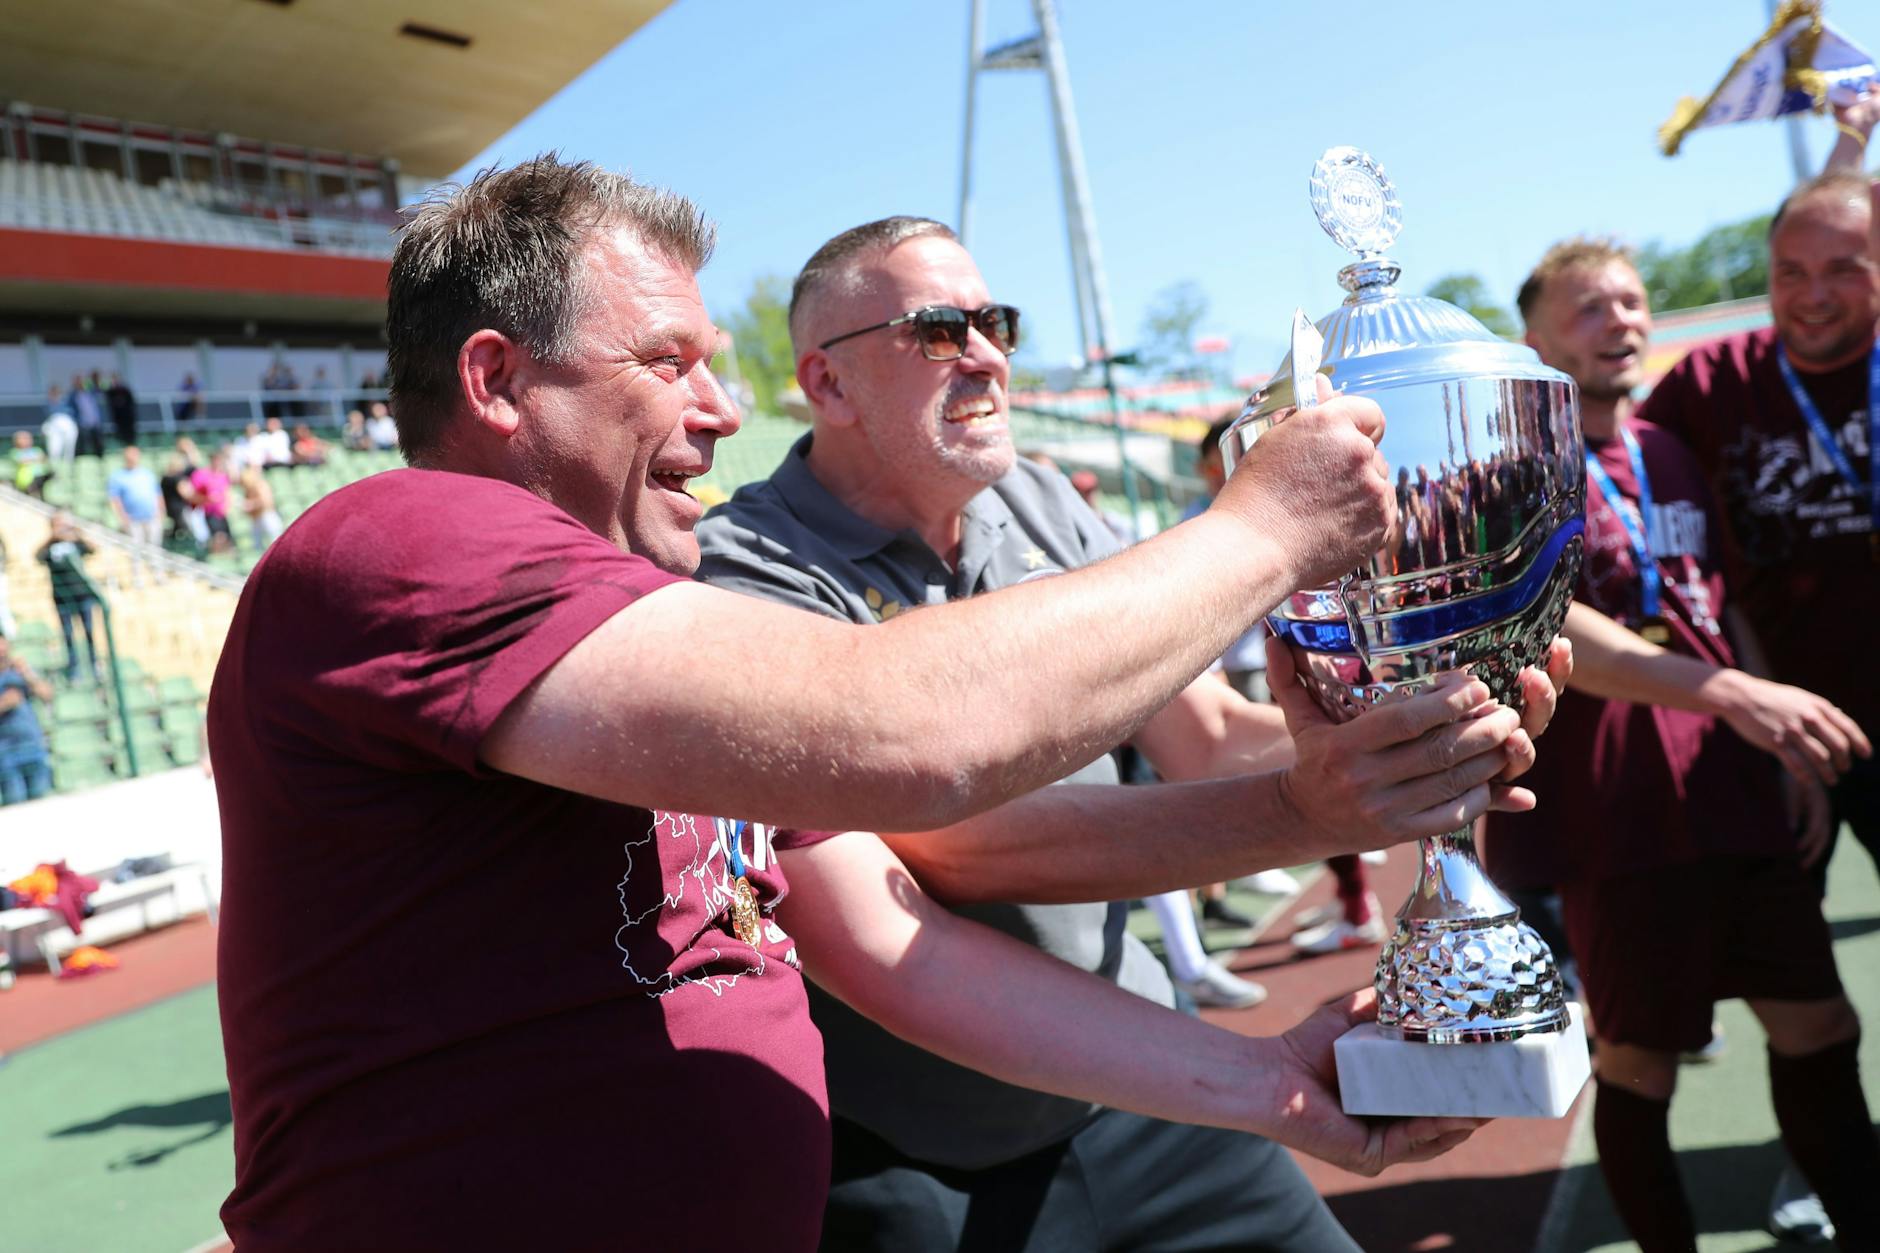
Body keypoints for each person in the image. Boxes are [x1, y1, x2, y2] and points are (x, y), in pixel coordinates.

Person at [210, 158, 1555, 1251]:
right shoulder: (403, 545)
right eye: (668, 361)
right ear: (499, 382)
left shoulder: (651, 635)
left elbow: (902, 922)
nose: (720, 409)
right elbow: (908, 744)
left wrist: (1279, 1082)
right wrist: (1266, 531)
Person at [695, 215, 1561, 1252]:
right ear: (826, 384)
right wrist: (1302, 812)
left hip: (1140, 1079)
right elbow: (935, 853)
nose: (983, 352)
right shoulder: (744, 573)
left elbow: (1205, 734)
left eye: (993, 321)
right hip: (924, 1157)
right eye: (935, 330)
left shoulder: (1035, 495)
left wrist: (1409, 727)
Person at [1485, 238, 1878, 1252]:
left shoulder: (1668, 448)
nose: (1618, 320)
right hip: (1620, 811)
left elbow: (1719, 604)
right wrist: (1738, 693)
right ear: (1533, 342)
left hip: (1731, 781)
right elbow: (1558, 623)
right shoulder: (1516, 466)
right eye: (1587, 310)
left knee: (1819, 1024)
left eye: (1628, 301)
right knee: (1637, 1059)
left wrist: (1778, 737)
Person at [35, 511, 99, 682]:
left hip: (82, 595)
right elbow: (38, 557)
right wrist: (52, 537)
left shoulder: (76, 542)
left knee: (89, 632)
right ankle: (74, 669)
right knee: (68, 634)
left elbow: (93, 549)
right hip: (62, 597)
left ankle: (94, 666)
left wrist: (78, 534)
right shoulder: (50, 546)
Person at [0, 634, 53, 805]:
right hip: (5, 753)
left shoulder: (20, 670)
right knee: (16, 807)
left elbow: (47, 695)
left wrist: (27, 674)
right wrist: (4, 703)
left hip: (33, 746)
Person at [108, 446, 166, 547]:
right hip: (133, 521)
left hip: (152, 519)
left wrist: (161, 513)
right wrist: (123, 518)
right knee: (136, 552)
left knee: (155, 551)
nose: (132, 458)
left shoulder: (148, 474)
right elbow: (115, 499)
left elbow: (158, 494)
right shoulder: (117, 476)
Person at [187, 448, 235, 554]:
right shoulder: (200, 474)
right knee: (216, 540)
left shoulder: (223, 476)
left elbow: (227, 492)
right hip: (207, 514)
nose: (218, 462)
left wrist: (227, 505)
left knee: (227, 540)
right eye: (216, 459)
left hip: (221, 514)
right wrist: (207, 499)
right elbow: (192, 495)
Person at [238, 463, 283, 550]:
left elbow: (266, 502)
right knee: (257, 545)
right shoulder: (248, 490)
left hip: (267, 516)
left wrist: (251, 504)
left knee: (274, 543)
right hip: (256, 518)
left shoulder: (261, 485)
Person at [9, 430, 52, 500]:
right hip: (26, 479)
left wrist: (33, 460)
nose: (27, 440)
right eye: (24, 439)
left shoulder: (37, 450)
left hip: (41, 477)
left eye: (28, 438)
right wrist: (35, 459)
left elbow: (44, 459)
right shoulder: (15, 451)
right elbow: (22, 461)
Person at [70, 373, 105, 458]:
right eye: (78, 382)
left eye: (82, 381)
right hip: (82, 424)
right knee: (82, 445)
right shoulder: (73, 396)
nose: (80, 384)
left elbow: (101, 389)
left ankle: (100, 459)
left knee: (98, 445)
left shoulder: (91, 393)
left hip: (95, 423)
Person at [41, 387, 77, 468]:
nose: (55, 395)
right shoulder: (47, 405)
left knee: (69, 450)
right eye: (53, 393)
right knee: (54, 450)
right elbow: (47, 420)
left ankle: (68, 469)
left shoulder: (67, 402)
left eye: (56, 393)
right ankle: (54, 469)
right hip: (54, 426)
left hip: (68, 424)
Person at [106, 373, 137, 448]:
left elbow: (131, 402)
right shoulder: (111, 392)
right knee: (121, 437)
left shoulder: (125, 390)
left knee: (130, 437)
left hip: (128, 418)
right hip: (118, 420)